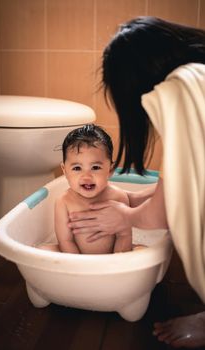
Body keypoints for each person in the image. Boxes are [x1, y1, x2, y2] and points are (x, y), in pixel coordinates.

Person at [68, 17, 205, 348]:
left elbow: (166, 213)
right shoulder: (198, 75)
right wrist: (134, 199)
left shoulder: (180, 89)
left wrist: (125, 217)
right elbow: (191, 182)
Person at [39, 124, 133, 254]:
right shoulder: (64, 202)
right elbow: (66, 241)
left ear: (110, 170)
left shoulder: (118, 198)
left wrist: (116, 262)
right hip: (77, 257)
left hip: (110, 258)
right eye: (77, 168)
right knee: (42, 250)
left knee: (142, 250)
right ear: (65, 171)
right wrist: (79, 265)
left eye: (95, 167)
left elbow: (124, 236)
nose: (86, 177)